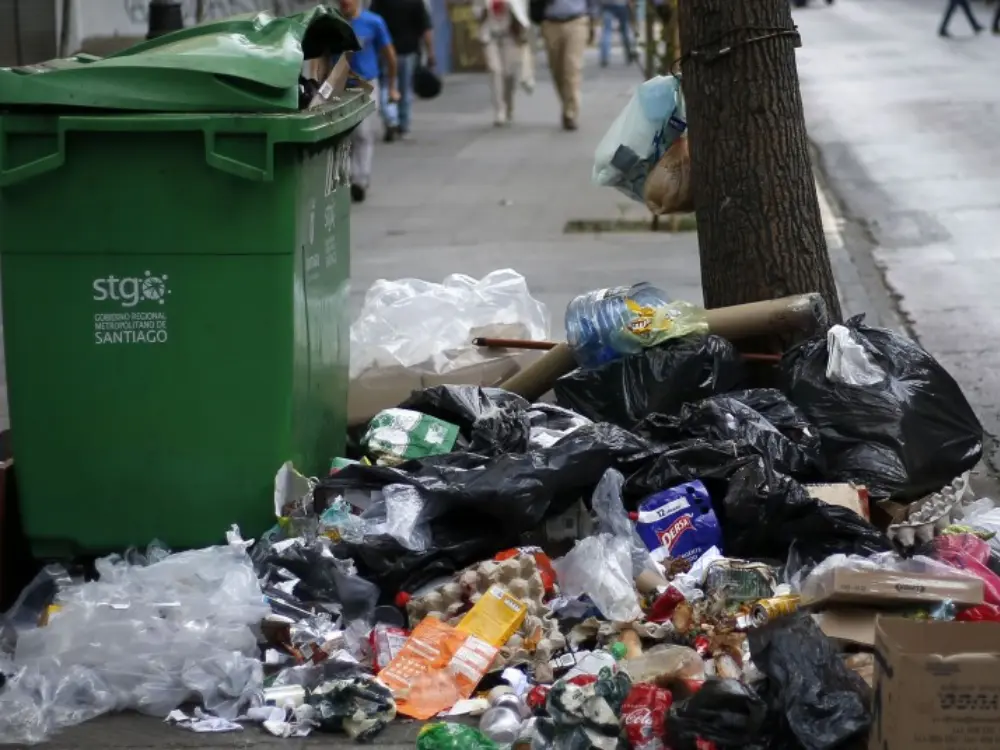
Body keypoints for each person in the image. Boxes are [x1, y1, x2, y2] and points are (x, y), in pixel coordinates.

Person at [338, 0, 399, 203]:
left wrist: (392, 86)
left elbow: (390, 55)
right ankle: (347, 176)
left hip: (367, 85)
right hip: (339, 86)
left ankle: (360, 180)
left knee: (363, 133)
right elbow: (322, 57)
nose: (344, 2)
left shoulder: (373, 22)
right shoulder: (331, 23)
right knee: (343, 136)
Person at [370, 0, 436, 141]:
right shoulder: (416, 2)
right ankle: (403, 125)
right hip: (408, 51)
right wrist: (430, 53)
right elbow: (426, 29)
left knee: (386, 86)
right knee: (405, 89)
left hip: (386, 51)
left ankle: (391, 119)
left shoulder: (380, 2)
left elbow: (371, 22)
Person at [541, 0, 598, 131]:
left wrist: (593, 21)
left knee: (572, 68)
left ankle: (570, 112)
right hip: (551, 22)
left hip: (576, 21)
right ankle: (567, 103)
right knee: (557, 71)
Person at [475, 0, 531, 125]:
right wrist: (485, 9)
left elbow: (522, 15)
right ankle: (500, 110)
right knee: (495, 70)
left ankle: (508, 103)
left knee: (509, 73)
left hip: (509, 37)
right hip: (490, 37)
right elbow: (477, 14)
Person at [599, 0, 634, 68]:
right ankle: (629, 53)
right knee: (624, 30)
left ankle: (604, 57)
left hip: (608, 5)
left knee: (607, 31)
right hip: (622, 4)